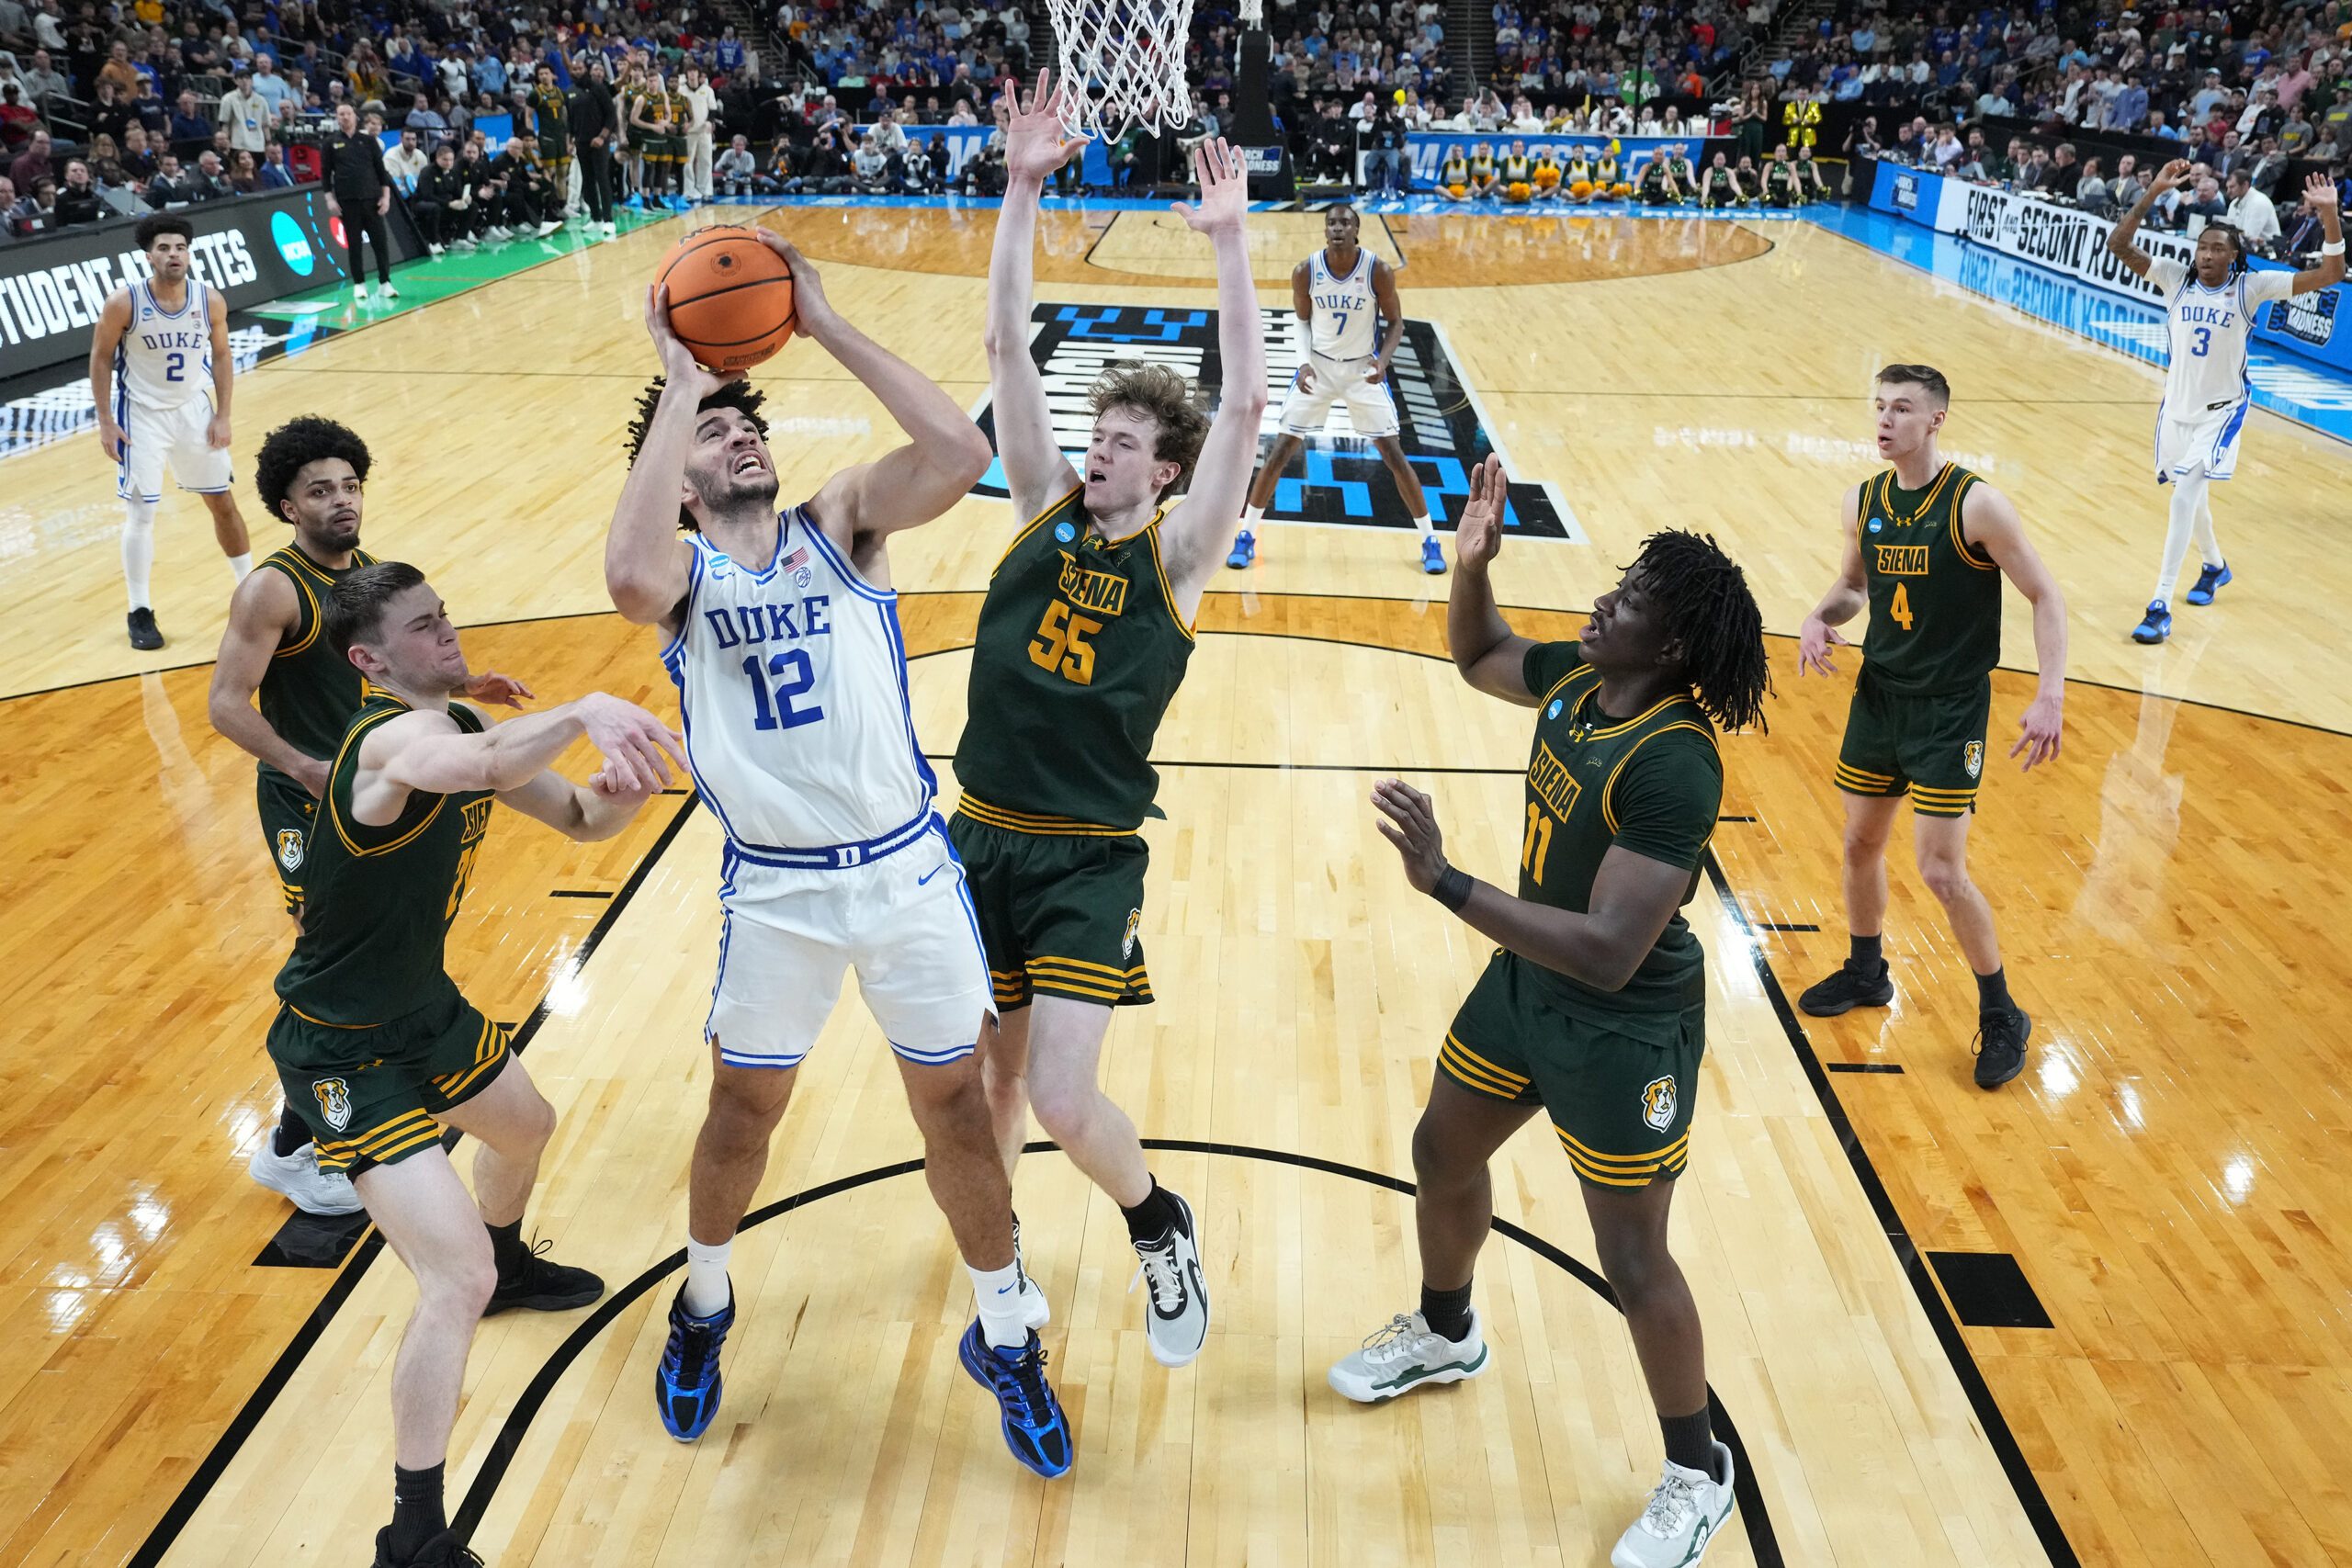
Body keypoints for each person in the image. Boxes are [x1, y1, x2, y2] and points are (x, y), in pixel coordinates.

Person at [605, 233, 1071, 1476]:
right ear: (685, 478)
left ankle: (1004, 1325)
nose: (742, 436)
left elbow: (962, 456)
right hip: (780, 892)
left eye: (746, 423)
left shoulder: (841, 522)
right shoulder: (689, 573)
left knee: (958, 1114)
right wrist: (678, 389)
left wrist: (822, 321)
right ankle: (702, 1303)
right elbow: (629, 571)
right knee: (742, 1116)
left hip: (909, 872)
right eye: (716, 433)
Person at [1331, 456, 1772, 1568]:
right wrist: (1470, 565)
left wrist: (1444, 880)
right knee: (1441, 1147)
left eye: (1626, 600)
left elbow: (1613, 952)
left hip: (1621, 1026)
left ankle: (1695, 1468)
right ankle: (1445, 1332)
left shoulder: (1675, 762)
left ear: (1669, 649)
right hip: (1527, 981)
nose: (1601, 600)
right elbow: (1478, 653)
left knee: (1631, 1259)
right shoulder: (1581, 684)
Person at [270, 560, 681, 1568]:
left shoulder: (457, 732)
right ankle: (411, 1531)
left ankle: (512, 1269)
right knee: (450, 1275)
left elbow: (582, 821)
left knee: (526, 1127)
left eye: (447, 617)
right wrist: (585, 706)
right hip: (339, 1047)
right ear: (370, 661)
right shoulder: (395, 743)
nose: (447, 636)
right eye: (422, 629)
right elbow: (482, 766)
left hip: (424, 1011)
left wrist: (623, 790)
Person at [965, 75, 1266, 1374]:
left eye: (1129, 438)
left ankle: (1157, 1220)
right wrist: (1023, 186)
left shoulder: (1183, 553)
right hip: (976, 833)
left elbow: (1247, 408)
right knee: (986, 1089)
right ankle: (1003, 1257)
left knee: (1061, 1093)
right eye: (1100, 428)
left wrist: (1232, 247)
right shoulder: (1038, 497)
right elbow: (1000, 349)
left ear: (1167, 465)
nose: (1100, 447)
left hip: (1088, 854)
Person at [209, 415, 528, 1215]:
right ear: (286, 506)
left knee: (371, 951)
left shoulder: (372, 579)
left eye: (350, 485)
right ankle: (301, 1141)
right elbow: (223, 705)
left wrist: (465, 686)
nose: (342, 501)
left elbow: (392, 675)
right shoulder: (273, 589)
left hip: (364, 783)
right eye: (320, 490)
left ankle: (318, 1127)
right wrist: (304, 766)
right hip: (303, 794)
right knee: (330, 957)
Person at [1794, 366, 2067, 1089]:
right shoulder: (1865, 498)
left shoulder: (1977, 506)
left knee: (1942, 871)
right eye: (1879, 406)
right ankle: (1865, 971)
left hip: (1950, 709)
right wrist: (1820, 617)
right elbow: (1855, 587)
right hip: (1881, 695)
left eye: (1903, 408)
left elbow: (2045, 595)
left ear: (1937, 420)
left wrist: (2050, 694)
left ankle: (2002, 1011)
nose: (1885, 420)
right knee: (1859, 842)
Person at [2108, 164, 2341, 642]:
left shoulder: (2251, 287)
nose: (2207, 254)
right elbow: (2119, 245)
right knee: (2194, 498)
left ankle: (2159, 604)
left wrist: (2331, 217)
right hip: (2176, 409)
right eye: (2203, 246)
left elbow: (2332, 272)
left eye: (2218, 248)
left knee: (2183, 498)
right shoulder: (2175, 278)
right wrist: (2153, 190)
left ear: (2235, 257)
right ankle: (2214, 566)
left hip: (2223, 411)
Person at [1232, 204, 1440, 574]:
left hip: (1362, 369)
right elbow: (1300, 321)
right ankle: (1246, 535)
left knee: (1393, 455)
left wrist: (1383, 361)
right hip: (1320, 368)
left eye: (1345, 222)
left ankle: (1430, 539)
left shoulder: (1378, 270)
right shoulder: (1305, 271)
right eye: (1331, 222)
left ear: (1357, 229)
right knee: (1279, 450)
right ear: (1324, 230)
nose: (1337, 228)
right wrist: (1302, 362)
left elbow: (1395, 323)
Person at [88, 213, 253, 651]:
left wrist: (223, 414)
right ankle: (139, 609)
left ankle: (251, 591)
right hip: (141, 413)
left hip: (193, 409)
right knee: (141, 512)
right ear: (149, 256)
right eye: (163, 248)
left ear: (189, 253)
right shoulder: (124, 302)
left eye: (179, 247)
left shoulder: (209, 299)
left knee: (222, 501)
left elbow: (221, 356)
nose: (173, 254)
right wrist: (106, 420)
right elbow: (101, 358)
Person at [323, 101, 395, 300]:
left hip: (372, 200)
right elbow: (325, 173)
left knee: (380, 243)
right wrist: (330, 199)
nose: (344, 117)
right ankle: (359, 284)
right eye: (340, 114)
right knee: (354, 244)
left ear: (354, 116)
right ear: (337, 118)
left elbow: (382, 172)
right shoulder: (331, 143)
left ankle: (385, 282)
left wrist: (386, 197)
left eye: (347, 113)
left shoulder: (368, 141)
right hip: (348, 202)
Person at [572, 60, 616, 237]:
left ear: (586, 70)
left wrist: (602, 136)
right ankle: (595, 217)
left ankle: (608, 220)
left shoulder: (598, 88)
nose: (577, 71)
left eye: (580, 68)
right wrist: (570, 139)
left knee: (602, 179)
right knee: (587, 181)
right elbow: (570, 120)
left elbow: (611, 114)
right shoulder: (570, 91)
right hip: (581, 143)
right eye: (574, 69)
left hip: (599, 142)